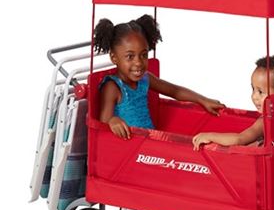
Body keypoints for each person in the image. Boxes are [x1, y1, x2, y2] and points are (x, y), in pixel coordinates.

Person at [95, 14, 225, 139]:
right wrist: (112, 120)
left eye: (144, 55)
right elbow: (102, 122)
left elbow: (175, 91)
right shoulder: (113, 87)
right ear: (114, 58)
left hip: (150, 142)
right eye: (130, 56)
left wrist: (203, 100)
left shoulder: (145, 79)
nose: (138, 62)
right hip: (128, 146)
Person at [192, 56, 274, 149]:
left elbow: (239, 139)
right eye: (253, 89)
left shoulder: (266, 121)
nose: (254, 96)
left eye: (260, 92)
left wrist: (209, 136)